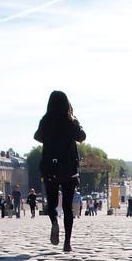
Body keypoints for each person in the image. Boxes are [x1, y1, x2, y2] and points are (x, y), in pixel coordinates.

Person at [34, 90, 86, 252]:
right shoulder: (71, 121)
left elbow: (37, 137)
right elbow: (82, 137)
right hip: (69, 168)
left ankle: (54, 222)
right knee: (67, 206)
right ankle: (67, 243)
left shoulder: (46, 121)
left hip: (50, 167)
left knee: (52, 202)